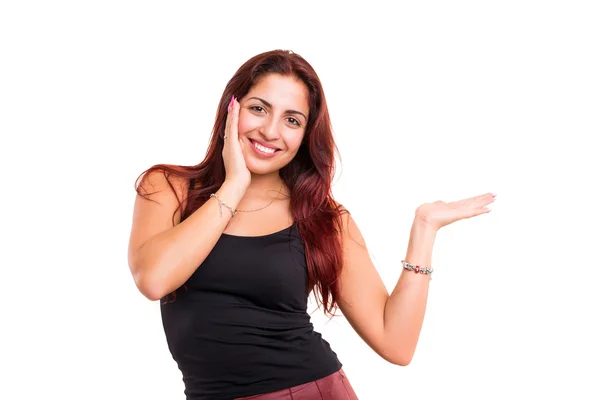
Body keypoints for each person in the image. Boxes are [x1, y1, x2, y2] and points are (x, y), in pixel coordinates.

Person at [127, 49, 494, 400]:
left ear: (304, 136)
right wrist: (234, 184)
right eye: (258, 109)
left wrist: (424, 229)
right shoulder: (168, 187)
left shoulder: (322, 219)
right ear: (231, 108)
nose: (271, 131)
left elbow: (396, 344)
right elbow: (154, 278)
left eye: (292, 120)